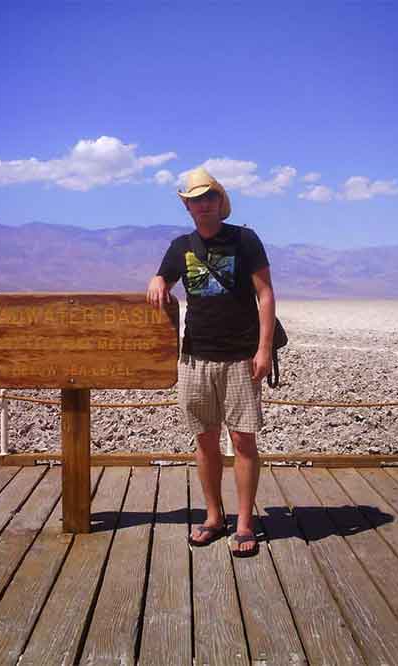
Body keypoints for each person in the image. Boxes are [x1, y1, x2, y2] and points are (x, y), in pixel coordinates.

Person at [147, 167, 276, 558]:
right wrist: (157, 280)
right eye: (195, 199)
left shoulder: (244, 240)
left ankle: (244, 523)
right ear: (186, 206)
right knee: (204, 440)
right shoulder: (179, 246)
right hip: (195, 357)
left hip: (240, 357)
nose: (203, 205)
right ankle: (214, 516)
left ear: (220, 201)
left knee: (242, 440)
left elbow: (266, 294)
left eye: (209, 197)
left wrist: (264, 349)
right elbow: (163, 279)